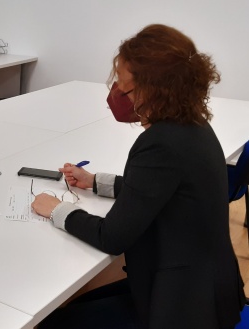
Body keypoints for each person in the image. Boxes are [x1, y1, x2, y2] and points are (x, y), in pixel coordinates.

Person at [32, 24, 245, 329]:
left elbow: (111, 237)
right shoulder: (191, 123)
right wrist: (95, 181)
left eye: (124, 86)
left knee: (54, 322)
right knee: (74, 307)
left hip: (183, 309)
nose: (117, 91)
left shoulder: (161, 142)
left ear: (155, 90)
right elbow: (157, 190)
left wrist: (57, 209)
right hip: (208, 288)